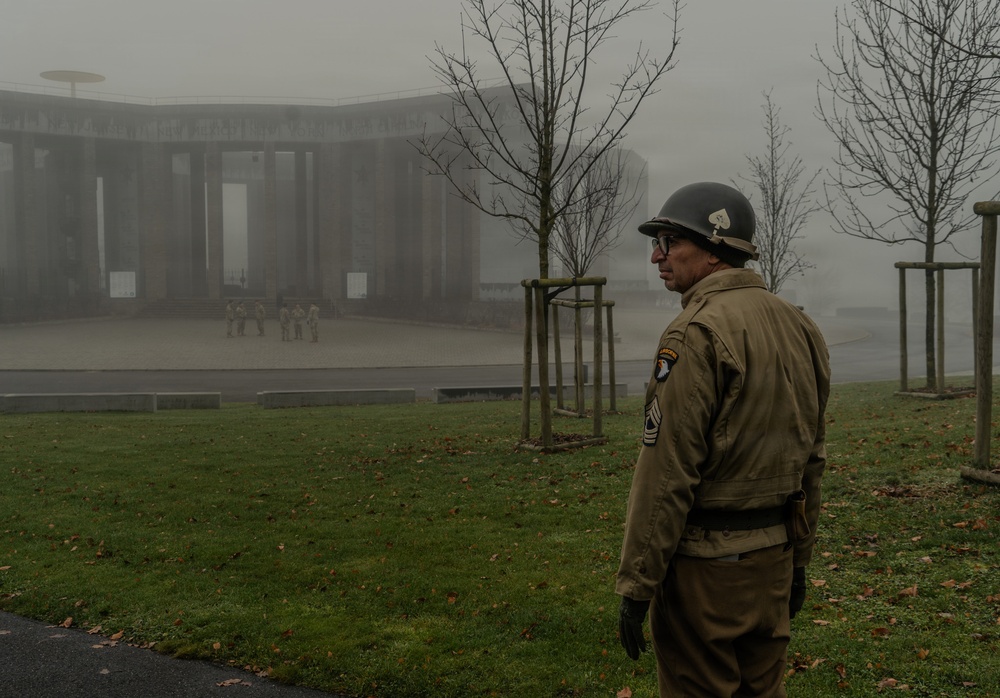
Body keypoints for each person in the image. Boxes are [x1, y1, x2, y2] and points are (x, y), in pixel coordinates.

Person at [616, 182, 830, 697]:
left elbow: (666, 473)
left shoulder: (693, 334)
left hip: (705, 575)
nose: (656, 256)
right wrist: (799, 558)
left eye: (668, 242)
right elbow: (812, 459)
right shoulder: (801, 326)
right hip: (773, 563)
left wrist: (637, 586)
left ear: (712, 249)